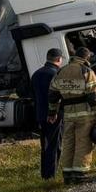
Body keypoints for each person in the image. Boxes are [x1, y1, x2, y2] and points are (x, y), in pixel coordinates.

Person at [48, 47, 96, 185]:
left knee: (68, 143)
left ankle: (67, 174)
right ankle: (80, 174)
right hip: (85, 115)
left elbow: (53, 95)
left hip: (68, 115)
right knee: (83, 143)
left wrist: (52, 112)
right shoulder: (86, 71)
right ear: (87, 58)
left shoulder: (61, 72)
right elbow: (94, 96)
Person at [32, 48, 64, 180]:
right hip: (54, 115)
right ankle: (50, 175)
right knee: (54, 145)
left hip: (40, 114)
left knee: (44, 145)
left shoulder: (36, 74)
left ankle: (44, 173)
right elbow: (58, 96)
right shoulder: (56, 74)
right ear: (59, 59)